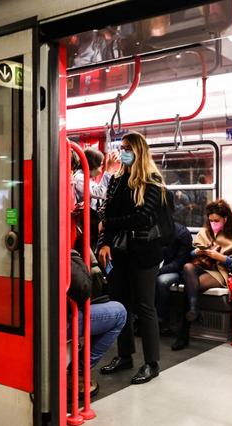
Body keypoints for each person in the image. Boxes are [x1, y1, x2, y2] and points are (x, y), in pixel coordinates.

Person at [96, 131, 169, 385]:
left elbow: (143, 217)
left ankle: (152, 363)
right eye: (122, 147)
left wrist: (108, 224)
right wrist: (105, 241)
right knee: (121, 305)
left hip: (144, 252)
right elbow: (106, 209)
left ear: (138, 151)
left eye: (128, 148)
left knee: (145, 306)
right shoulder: (117, 179)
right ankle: (125, 355)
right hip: (119, 250)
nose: (123, 151)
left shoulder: (152, 181)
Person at [171, 199, 232, 351]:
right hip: (202, 265)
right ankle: (194, 308)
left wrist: (221, 257)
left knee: (190, 287)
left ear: (225, 219)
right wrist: (198, 252)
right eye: (211, 220)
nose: (213, 223)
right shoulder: (205, 232)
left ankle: (184, 333)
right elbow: (190, 254)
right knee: (187, 267)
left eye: (217, 220)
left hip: (220, 271)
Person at [68, 250, 127, 397]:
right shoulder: (60, 245)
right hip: (62, 321)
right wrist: (75, 255)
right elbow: (81, 288)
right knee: (119, 313)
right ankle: (78, 370)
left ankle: (75, 368)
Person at [156, 222, 193, 334]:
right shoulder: (155, 230)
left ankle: (162, 321)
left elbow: (179, 263)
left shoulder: (182, 234)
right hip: (158, 266)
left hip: (178, 271)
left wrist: (157, 271)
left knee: (162, 281)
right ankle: (137, 318)